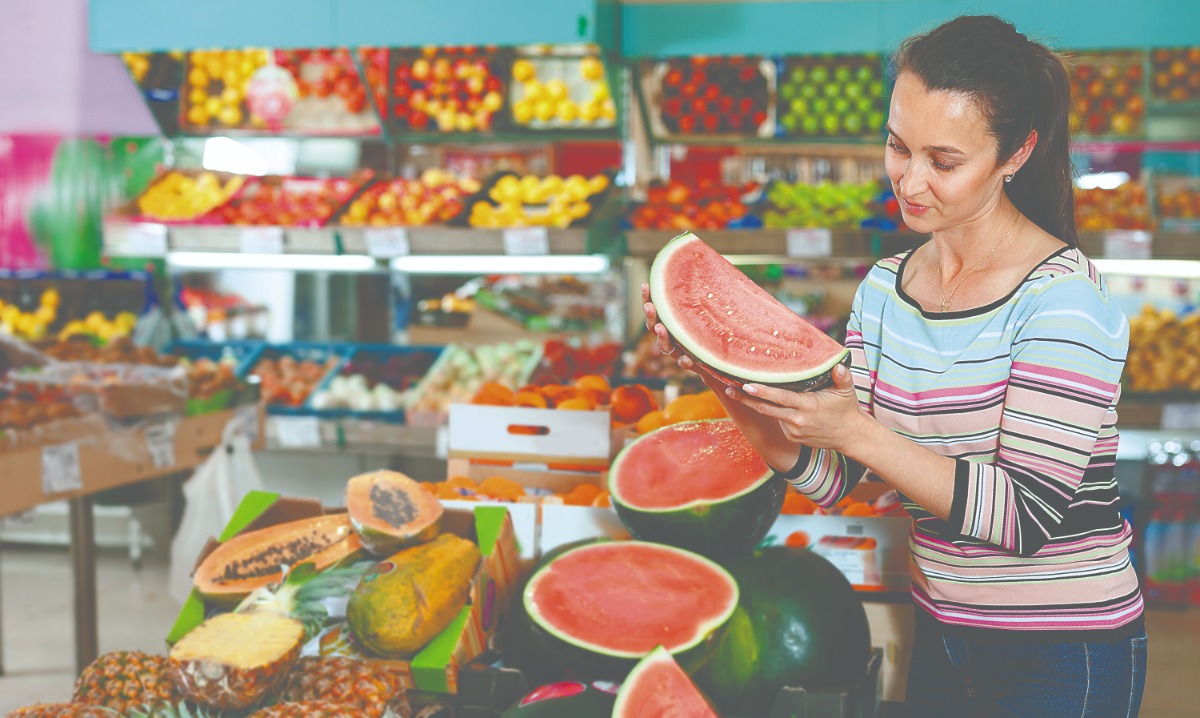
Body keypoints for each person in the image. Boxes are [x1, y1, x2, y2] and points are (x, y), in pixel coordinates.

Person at [643, 15, 1146, 718]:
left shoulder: (1062, 302)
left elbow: (1024, 516)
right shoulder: (885, 289)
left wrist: (856, 432)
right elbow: (832, 475)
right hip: (943, 632)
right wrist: (719, 370)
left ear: (1017, 153)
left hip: (1063, 651)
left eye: (943, 162)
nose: (910, 180)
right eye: (897, 145)